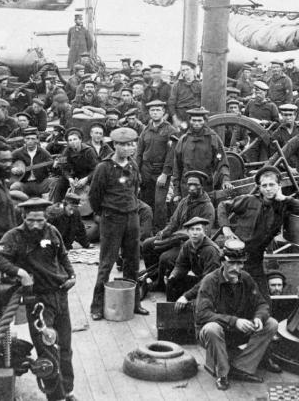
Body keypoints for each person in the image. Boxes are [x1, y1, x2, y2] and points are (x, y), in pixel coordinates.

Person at [0, 198, 78, 401]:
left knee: (65, 348)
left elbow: (63, 255)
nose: (35, 225)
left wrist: (72, 275)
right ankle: (56, 397)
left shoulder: (52, 231)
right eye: (30, 221)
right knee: (47, 352)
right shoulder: (14, 236)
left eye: (40, 220)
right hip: (39, 302)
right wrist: (21, 273)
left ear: (46, 218)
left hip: (60, 295)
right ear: (23, 217)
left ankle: (68, 391)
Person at [195, 239, 279, 391]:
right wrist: (235, 322)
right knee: (212, 328)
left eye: (239, 263)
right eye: (231, 263)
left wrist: (258, 318)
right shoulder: (210, 281)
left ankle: (241, 367)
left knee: (271, 324)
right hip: (214, 334)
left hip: (238, 331)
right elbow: (202, 315)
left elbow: (262, 304)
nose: (235, 268)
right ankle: (222, 374)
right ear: (223, 262)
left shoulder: (246, 278)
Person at [218, 165, 299, 301]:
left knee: (263, 299)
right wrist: (226, 228)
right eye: (264, 185)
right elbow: (223, 206)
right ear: (259, 187)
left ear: (279, 186)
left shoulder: (283, 205)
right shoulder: (249, 200)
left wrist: (283, 198)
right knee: (232, 297)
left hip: (256, 260)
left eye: (272, 185)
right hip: (236, 256)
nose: (268, 189)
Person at [88, 127, 149, 320]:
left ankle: (134, 303)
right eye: (124, 145)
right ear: (115, 145)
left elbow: (135, 189)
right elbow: (94, 196)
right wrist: (105, 213)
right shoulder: (104, 168)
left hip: (132, 217)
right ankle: (97, 306)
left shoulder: (133, 165)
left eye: (131, 144)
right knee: (107, 262)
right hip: (112, 218)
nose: (129, 148)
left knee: (133, 261)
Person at [141, 170, 215, 291]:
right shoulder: (184, 202)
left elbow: (203, 233)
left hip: (193, 245)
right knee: (148, 244)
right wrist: (164, 233)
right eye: (189, 184)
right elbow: (174, 222)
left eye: (195, 185)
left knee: (165, 258)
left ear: (201, 186)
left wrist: (176, 237)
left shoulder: (207, 207)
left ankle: (160, 284)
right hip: (177, 240)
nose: (191, 188)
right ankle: (154, 275)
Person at [171, 107, 232, 199]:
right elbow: (177, 168)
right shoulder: (183, 140)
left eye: (200, 120)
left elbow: (222, 163)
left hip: (205, 186)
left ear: (205, 121)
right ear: (189, 121)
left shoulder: (213, 139)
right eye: (194, 120)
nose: (196, 123)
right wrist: (177, 193)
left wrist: (226, 180)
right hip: (186, 187)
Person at [136, 99, 178, 229]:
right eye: (152, 110)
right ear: (149, 112)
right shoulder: (145, 130)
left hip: (160, 170)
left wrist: (165, 174)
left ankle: (159, 231)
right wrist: (137, 172)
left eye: (158, 110)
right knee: (146, 202)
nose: (155, 113)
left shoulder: (170, 130)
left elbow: (171, 155)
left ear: (163, 112)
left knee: (159, 203)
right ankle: (146, 230)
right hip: (145, 170)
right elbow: (139, 153)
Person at [168, 216, 222, 304]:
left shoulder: (210, 250)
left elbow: (209, 280)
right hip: (201, 280)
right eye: (192, 229)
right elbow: (181, 265)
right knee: (172, 281)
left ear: (204, 232)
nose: (194, 233)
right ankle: (171, 308)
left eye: (198, 229)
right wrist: (173, 275)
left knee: (197, 303)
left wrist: (186, 296)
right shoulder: (188, 245)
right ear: (188, 232)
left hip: (214, 285)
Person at [52, 128, 99, 203]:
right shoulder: (66, 151)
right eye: (70, 140)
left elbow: (96, 169)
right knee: (60, 183)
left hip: (88, 176)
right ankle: (57, 205)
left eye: (75, 139)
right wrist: (69, 178)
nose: (73, 142)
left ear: (80, 140)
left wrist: (86, 179)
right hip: (74, 176)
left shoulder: (89, 151)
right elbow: (63, 168)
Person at [11, 127, 55, 198]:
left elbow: (53, 169)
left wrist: (55, 166)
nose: (30, 141)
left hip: (40, 183)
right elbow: (6, 162)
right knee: (14, 187)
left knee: (55, 182)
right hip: (24, 184)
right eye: (27, 138)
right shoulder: (18, 152)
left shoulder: (44, 153)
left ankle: (49, 202)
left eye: (33, 139)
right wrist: (12, 169)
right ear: (24, 139)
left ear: (37, 140)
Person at [168, 60, 201, 126]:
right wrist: (175, 119)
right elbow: (171, 103)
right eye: (183, 70)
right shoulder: (177, 85)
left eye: (187, 70)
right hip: (180, 115)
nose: (185, 72)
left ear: (193, 70)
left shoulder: (199, 85)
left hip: (195, 115)